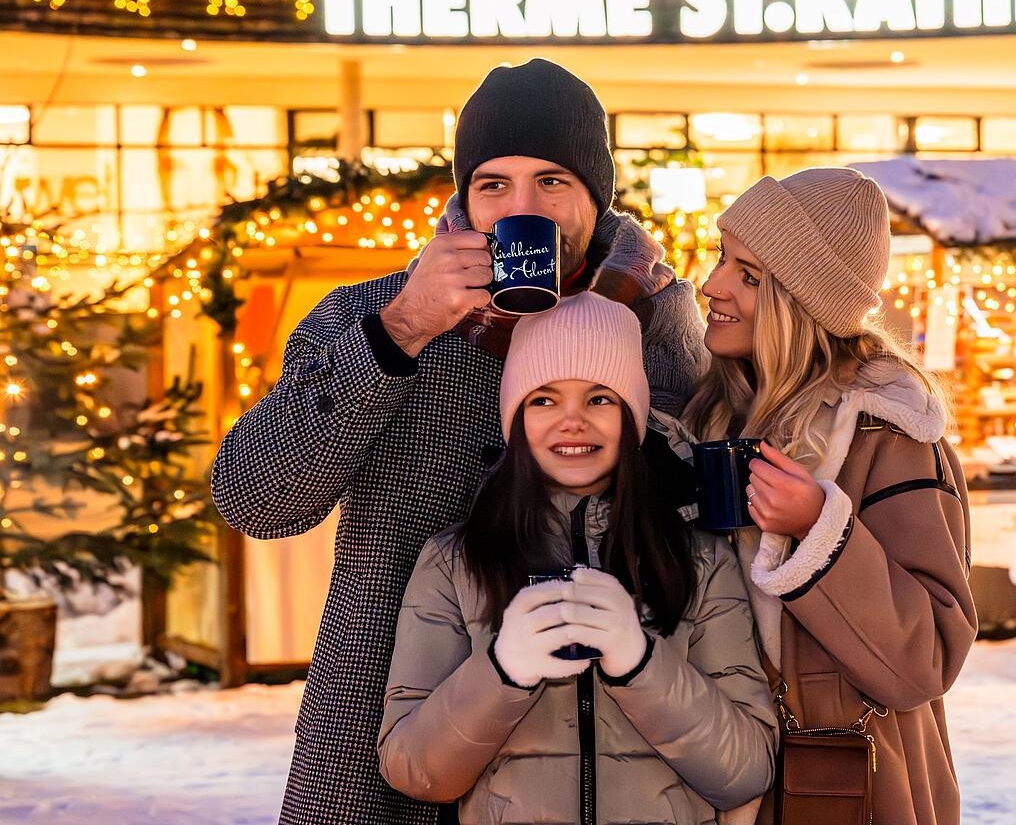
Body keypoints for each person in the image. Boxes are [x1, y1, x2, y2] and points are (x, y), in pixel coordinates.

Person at [210, 59, 708, 825]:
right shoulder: (374, 313)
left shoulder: (663, 322)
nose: (521, 205)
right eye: (493, 185)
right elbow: (256, 499)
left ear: (595, 196)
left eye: (552, 182)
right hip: (383, 739)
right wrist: (401, 332)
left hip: (599, 758)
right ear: (465, 197)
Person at [377, 292, 776, 823]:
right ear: (514, 416)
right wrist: (502, 671)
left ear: (632, 416)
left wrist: (640, 663)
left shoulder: (699, 557)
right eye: (543, 399)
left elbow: (747, 771)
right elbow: (414, 772)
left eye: (599, 399)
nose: (572, 422)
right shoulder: (455, 562)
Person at [684, 167, 976, 825]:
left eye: (748, 274)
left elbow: (926, 659)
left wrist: (821, 531)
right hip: (721, 771)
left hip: (841, 783)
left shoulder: (886, 433)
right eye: (721, 258)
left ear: (801, 300)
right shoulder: (714, 414)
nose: (713, 284)